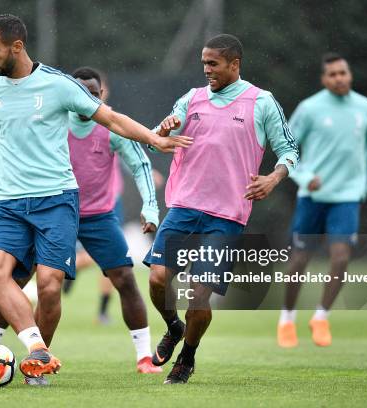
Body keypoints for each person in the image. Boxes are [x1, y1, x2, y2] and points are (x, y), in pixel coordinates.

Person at [0, 14, 191, 381]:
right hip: (8, 203)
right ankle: (37, 349)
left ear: (16, 46)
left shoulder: (58, 85)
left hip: (56, 200)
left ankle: (36, 366)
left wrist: (153, 138)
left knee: (50, 286)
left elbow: (112, 119)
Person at [0, 67, 164, 382]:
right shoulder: (52, 121)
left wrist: (150, 207)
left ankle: (143, 357)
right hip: (50, 210)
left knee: (124, 277)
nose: (89, 98)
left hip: (97, 216)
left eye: (94, 94)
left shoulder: (109, 126)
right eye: (83, 93)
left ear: (102, 95)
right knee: (14, 279)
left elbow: (139, 164)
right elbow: (15, 159)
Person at [144, 34, 299, 384]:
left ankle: (187, 357)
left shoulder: (261, 102)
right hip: (183, 207)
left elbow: (290, 150)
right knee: (157, 280)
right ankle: (173, 327)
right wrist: (162, 133)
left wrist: (273, 178)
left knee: (200, 295)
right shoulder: (192, 98)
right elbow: (158, 140)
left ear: (234, 64)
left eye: (213, 63)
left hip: (226, 216)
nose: (206, 69)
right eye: (203, 63)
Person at [277, 53, 367, 348]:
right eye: (332, 74)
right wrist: (304, 176)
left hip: (347, 197)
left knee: (341, 257)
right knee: (299, 261)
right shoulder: (309, 108)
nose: (339, 78)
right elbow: (287, 147)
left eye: (343, 72)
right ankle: (287, 319)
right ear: (324, 79)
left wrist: (364, 185)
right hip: (313, 197)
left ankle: (320, 317)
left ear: (350, 74)